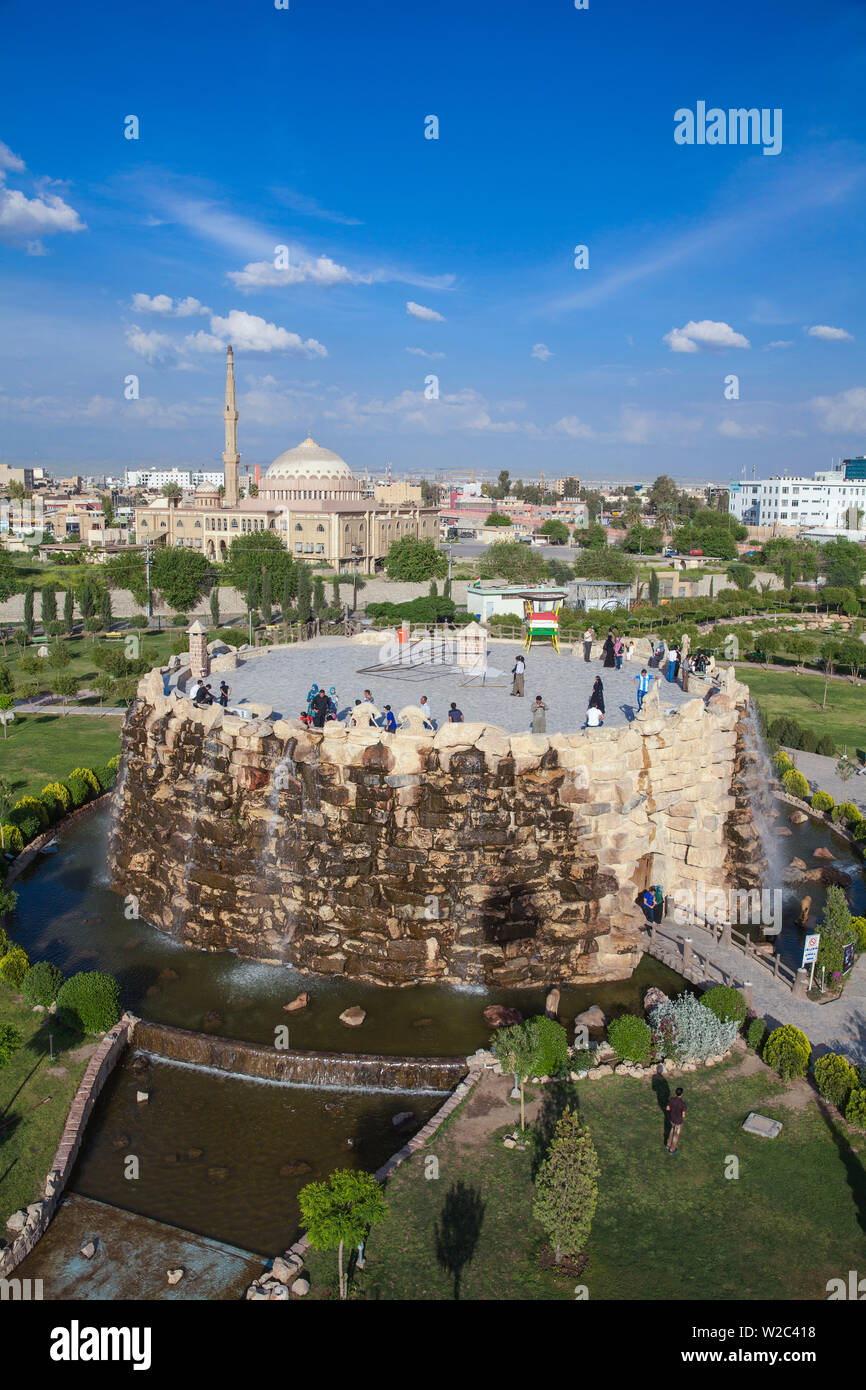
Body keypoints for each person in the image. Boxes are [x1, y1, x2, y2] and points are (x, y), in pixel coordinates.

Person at [666, 1087, 687, 1155]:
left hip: (672, 1119)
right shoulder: (683, 1104)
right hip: (678, 1121)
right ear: (682, 1094)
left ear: (675, 1092)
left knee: (671, 1132)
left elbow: (668, 1108)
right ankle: (672, 1149)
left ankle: (668, 1145)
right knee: (676, 1135)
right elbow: (683, 1115)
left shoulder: (671, 1100)